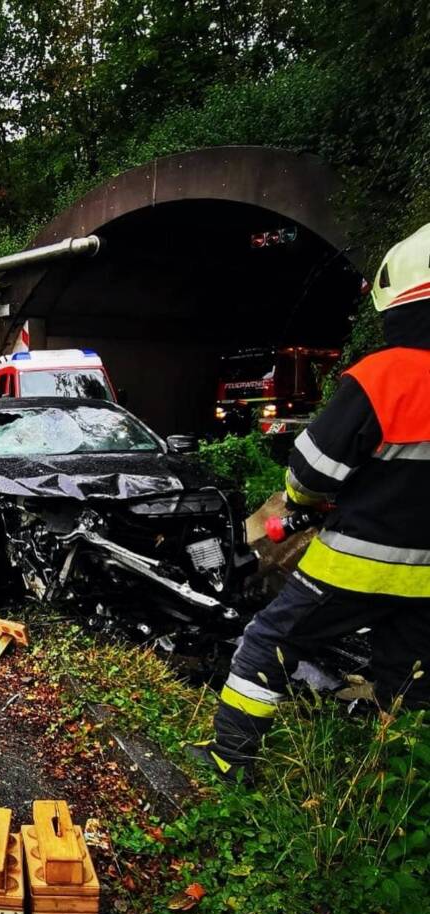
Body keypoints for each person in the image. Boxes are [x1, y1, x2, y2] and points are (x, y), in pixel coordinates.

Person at [190, 222, 430, 784]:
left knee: (268, 643)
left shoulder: (385, 376)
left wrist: (302, 501)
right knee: (411, 675)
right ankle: (404, 785)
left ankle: (230, 761)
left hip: (358, 563)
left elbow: (312, 472)